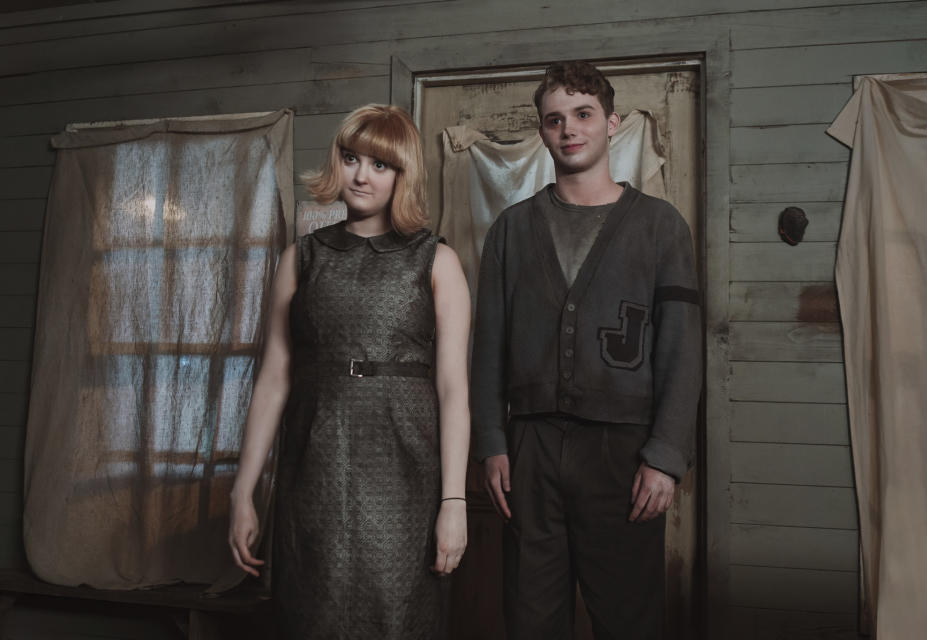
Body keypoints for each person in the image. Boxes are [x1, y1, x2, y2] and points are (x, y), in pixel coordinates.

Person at [471, 61, 702, 639]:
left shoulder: (660, 227)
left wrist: (666, 455)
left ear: (611, 123)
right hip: (530, 450)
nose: (569, 129)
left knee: (629, 620)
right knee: (530, 618)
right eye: (554, 120)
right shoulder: (511, 230)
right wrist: (492, 444)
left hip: (622, 454)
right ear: (542, 131)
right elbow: (488, 347)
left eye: (582, 115)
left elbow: (682, 348)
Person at [228, 104, 471, 639]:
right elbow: (273, 380)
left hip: (406, 470)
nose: (361, 174)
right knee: (313, 615)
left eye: (380, 165)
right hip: (316, 466)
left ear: (402, 174)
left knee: (400, 618)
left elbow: (454, 391)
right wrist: (243, 491)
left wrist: (454, 501)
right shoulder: (302, 258)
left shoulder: (437, 261)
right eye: (351, 158)